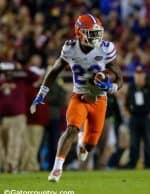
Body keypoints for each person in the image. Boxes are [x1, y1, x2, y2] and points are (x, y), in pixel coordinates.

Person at [30, 14, 123, 182]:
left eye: (98, 33)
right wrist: (41, 93)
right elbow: (54, 71)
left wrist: (111, 86)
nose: (96, 38)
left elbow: (119, 76)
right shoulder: (70, 48)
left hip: (99, 99)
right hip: (78, 96)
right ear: (79, 33)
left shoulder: (106, 47)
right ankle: (57, 169)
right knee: (71, 128)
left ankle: (83, 142)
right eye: (91, 33)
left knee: (90, 144)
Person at [124, 66, 150, 169]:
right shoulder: (130, 87)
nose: (139, 76)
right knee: (133, 142)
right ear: (134, 75)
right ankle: (132, 163)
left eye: (141, 74)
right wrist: (128, 114)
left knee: (148, 142)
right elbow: (125, 104)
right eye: (137, 74)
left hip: (146, 117)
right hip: (134, 117)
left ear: (144, 75)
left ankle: (149, 164)